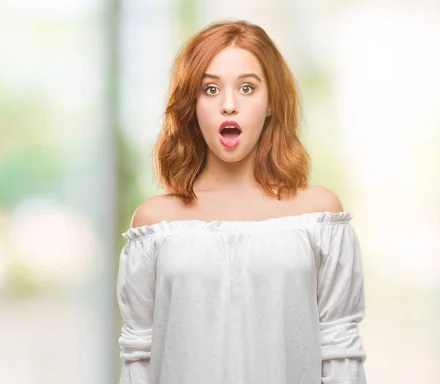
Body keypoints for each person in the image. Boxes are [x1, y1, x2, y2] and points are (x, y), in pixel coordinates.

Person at [116, 19, 367, 384]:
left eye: (247, 88)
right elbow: (139, 359)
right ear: (191, 104)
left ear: (269, 103)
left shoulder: (319, 216)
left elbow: (341, 351)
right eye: (211, 89)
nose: (229, 105)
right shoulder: (155, 223)